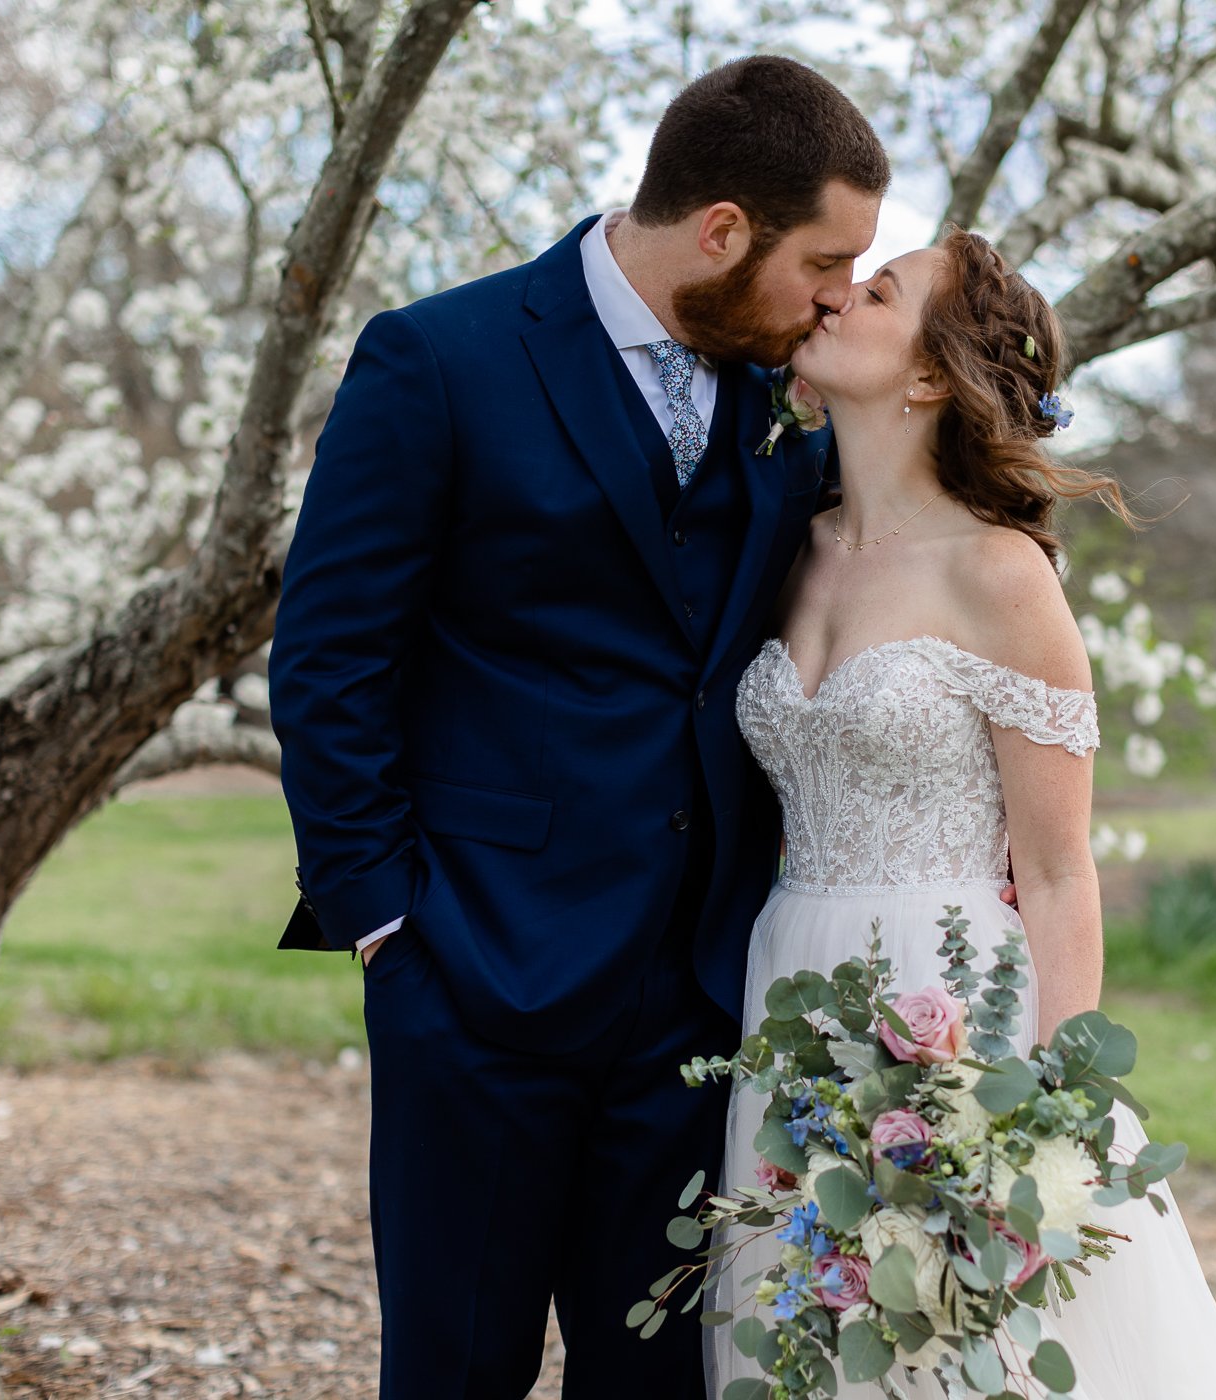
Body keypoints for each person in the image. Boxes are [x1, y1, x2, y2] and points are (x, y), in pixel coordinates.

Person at [266, 55, 890, 1400]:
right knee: (457, 1372)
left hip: (700, 1003)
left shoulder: (785, 397)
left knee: (662, 1384)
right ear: (722, 230)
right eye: (826, 262)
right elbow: (328, 659)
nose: (838, 297)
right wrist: (387, 924)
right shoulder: (441, 359)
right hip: (473, 976)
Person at [704, 227, 1216, 1397]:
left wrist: (1048, 1115)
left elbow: (1063, 870)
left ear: (928, 375)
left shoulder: (1003, 574)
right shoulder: (782, 545)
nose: (832, 298)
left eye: (873, 292)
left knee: (966, 1346)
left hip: (957, 1005)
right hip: (790, 989)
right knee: (812, 1335)